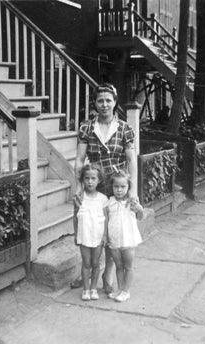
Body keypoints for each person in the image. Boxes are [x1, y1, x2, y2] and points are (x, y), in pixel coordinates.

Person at [72, 83, 138, 294]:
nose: (104, 104)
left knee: (110, 232)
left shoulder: (125, 129)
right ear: (95, 103)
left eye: (108, 100)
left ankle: (107, 274)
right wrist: (78, 186)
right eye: (100, 100)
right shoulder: (86, 128)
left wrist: (133, 190)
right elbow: (80, 159)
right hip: (94, 185)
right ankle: (86, 270)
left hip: (117, 186)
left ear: (115, 102)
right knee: (88, 227)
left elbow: (132, 161)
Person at [105, 170, 144, 302]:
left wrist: (139, 208)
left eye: (123, 187)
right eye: (116, 187)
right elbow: (106, 220)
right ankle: (120, 289)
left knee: (128, 266)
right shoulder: (109, 202)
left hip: (128, 239)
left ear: (128, 187)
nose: (119, 190)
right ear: (112, 187)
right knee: (118, 265)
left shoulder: (132, 202)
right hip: (114, 239)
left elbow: (140, 217)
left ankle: (126, 291)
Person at [73, 164, 109, 301]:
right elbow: (75, 217)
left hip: (98, 236)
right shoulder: (79, 198)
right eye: (87, 178)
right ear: (82, 180)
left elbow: (106, 219)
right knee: (86, 262)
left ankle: (94, 288)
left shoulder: (103, 199)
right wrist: (76, 234)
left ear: (98, 180)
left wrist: (105, 235)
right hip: (84, 235)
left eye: (93, 178)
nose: (90, 181)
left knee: (95, 262)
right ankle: (86, 289)